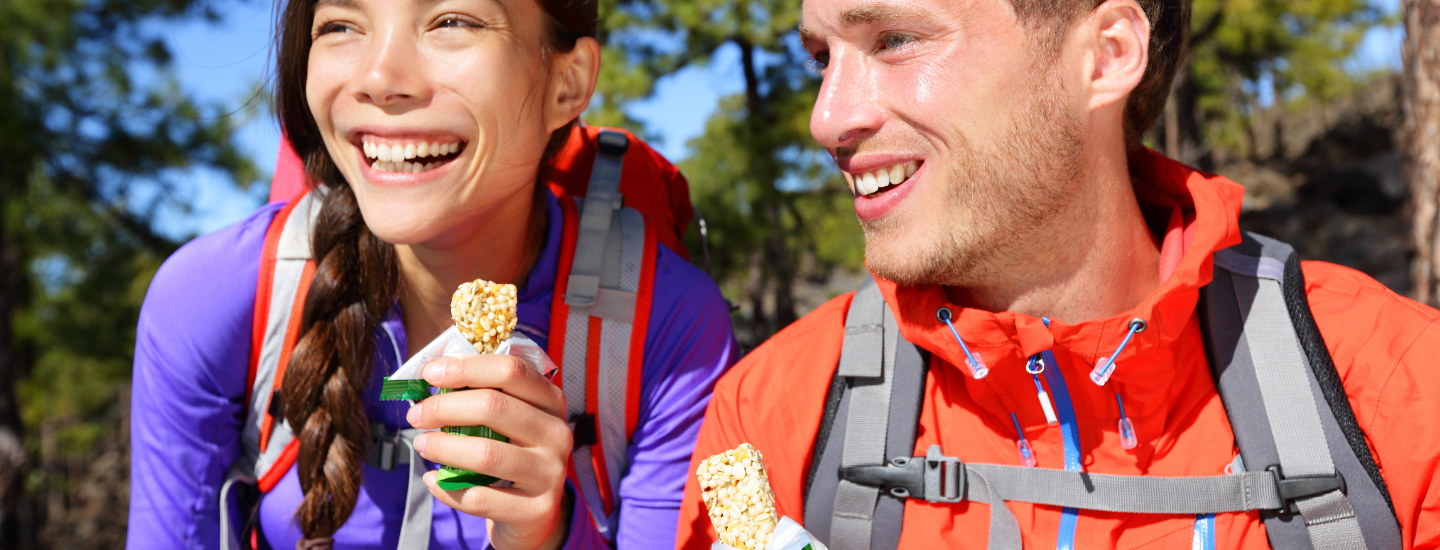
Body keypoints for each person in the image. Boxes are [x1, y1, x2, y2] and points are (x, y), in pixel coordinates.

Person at [678, 0, 1440, 548]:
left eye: (897, 38)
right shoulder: (766, 413)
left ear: (1106, 55)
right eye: (823, 57)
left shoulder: (1403, 397)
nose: (826, 117)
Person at [126, 0, 737, 548]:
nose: (379, 79)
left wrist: (545, 535)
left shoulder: (667, 324)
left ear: (567, 83)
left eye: (452, 21)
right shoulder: (215, 295)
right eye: (340, 24)